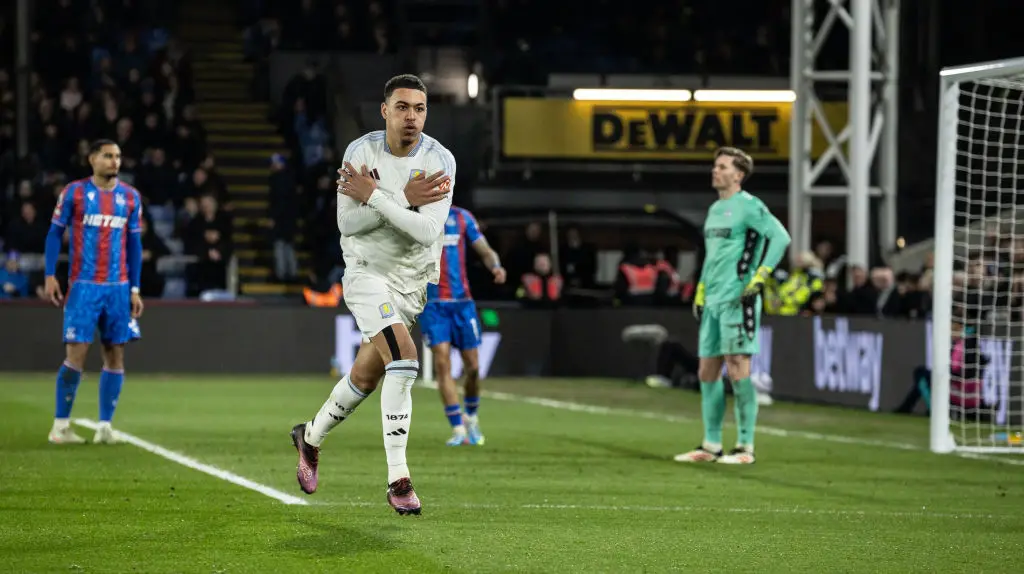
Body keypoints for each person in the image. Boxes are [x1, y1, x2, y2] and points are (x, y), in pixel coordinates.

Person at [289, 74, 454, 516]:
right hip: (366, 273)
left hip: (413, 282)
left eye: (419, 109)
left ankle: (309, 437)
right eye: (402, 107)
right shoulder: (361, 152)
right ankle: (398, 479)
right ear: (384, 110)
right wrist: (402, 198)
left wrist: (379, 198)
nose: (412, 117)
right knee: (404, 360)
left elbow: (427, 231)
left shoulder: (440, 160)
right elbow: (348, 224)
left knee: (366, 377)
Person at [675, 147, 790, 465]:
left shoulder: (750, 207)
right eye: (715, 165)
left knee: (738, 369)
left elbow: (780, 237)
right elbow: (713, 257)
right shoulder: (715, 210)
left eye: (722, 166)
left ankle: (745, 447)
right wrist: (700, 288)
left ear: (738, 174)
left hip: (738, 300)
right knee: (707, 371)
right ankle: (711, 445)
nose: (715, 170)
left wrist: (761, 276)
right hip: (712, 301)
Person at [43, 139, 145, 445]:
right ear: (92, 160)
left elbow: (135, 245)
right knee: (77, 354)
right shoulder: (74, 192)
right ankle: (60, 426)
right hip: (84, 287)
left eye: (117, 156)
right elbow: (53, 234)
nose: (114, 161)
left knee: (116, 355)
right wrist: (50, 274)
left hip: (119, 288)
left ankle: (105, 426)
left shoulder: (130, 197)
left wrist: (135, 288)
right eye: (107, 156)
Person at [419, 205, 506, 447]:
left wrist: (496, 266)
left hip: (462, 304)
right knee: (442, 362)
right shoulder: (416, 214)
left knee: (474, 368)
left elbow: (485, 250)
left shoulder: (462, 217)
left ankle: (472, 418)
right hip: (433, 304)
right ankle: (458, 429)